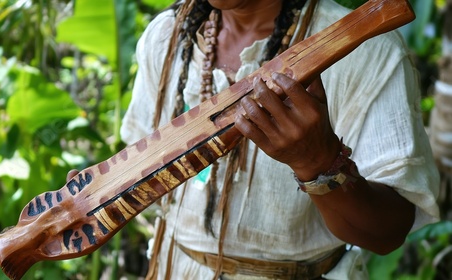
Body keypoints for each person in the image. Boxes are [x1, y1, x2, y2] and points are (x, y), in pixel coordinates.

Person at [71, 0, 441, 278]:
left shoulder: (363, 49)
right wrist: (101, 196)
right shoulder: (168, 36)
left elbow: (386, 234)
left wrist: (319, 164)